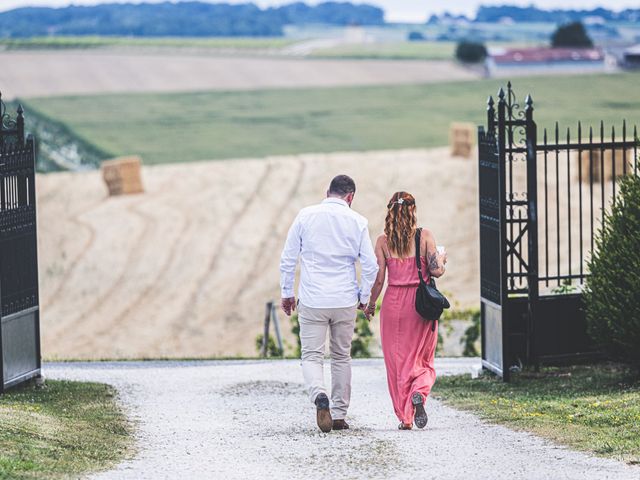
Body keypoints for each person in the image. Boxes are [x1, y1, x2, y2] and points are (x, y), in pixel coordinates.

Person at [279, 175, 378, 433]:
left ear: (327, 192)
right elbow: (371, 265)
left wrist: (287, 292)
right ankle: (338, 414)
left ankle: (319, 394)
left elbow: (288, 258)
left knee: (311, 355)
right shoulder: (358, 222)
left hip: (313, 299)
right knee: (341, 356)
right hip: (345, 299)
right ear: (350, 197)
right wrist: (364, 297)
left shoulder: (305, 216)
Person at [364, 191, 447, 430]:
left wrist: (370, 305)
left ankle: (405, 417)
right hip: (419, 304)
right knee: (422, 357)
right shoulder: (425, 236)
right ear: (413, 211)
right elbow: (436, 271)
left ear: (390, 211)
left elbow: (378, 280)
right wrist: (441, 257)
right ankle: (419, 391)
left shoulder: (383, 241)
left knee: (397, 362)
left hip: (393, 304)